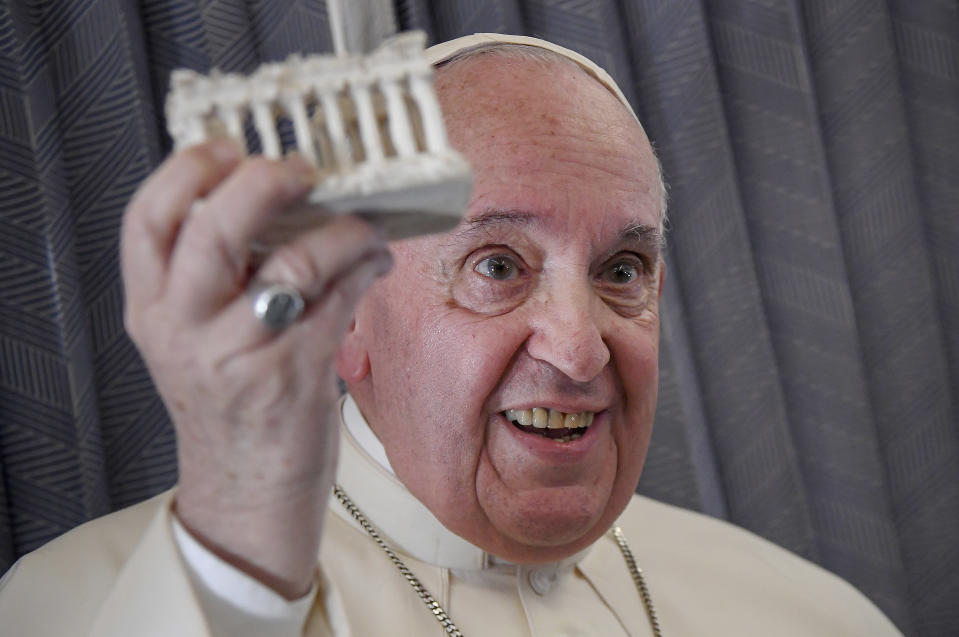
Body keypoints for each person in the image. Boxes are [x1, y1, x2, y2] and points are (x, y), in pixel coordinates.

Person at [0, 34, 902, 637]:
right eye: (497, 266)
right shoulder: (72, 606)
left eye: (620, 270)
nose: (578, 349)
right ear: (345, 312)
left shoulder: (813, 612)